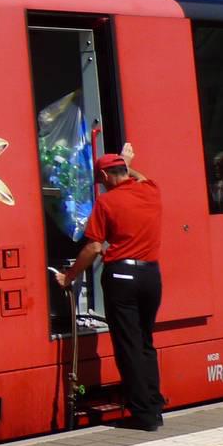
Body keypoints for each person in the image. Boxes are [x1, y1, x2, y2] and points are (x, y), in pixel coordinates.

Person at [53, 143, 164, 430]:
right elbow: (138, 177)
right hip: (152, 276)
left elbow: (92, 247)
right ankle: (155, 405)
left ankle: (143, 416)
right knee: (144, 342)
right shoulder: (151, 190)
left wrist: (70, 276)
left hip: (122, 278)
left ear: (103, 177)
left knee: (128, 345)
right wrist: (126, 163)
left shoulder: (106, 203)